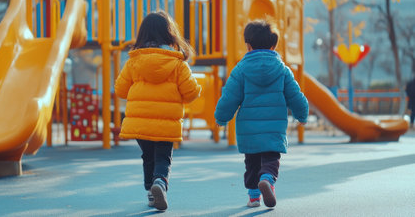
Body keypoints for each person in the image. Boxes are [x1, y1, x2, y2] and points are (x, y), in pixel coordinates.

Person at [214, 19, 308, 208]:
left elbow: (230, 97)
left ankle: (254, 197)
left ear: (248, 45)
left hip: (249, 129)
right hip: (274, 128)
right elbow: (296, 96)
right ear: (274, 45)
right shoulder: (283, 70)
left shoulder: (240, 69)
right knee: (271, 160)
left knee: (251, 163)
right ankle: (267, 179)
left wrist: (221, 117)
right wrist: (302, 115)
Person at [115, 11, 201, 211]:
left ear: (142, 35)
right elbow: (191, 93)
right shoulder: (178, 63)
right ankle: (160, 183)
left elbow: (120, 90)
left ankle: (150, 193)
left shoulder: (133, 61)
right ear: (169, 34)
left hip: (140, 121)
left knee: (148, 156)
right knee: (163, 157)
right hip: (166, 122)